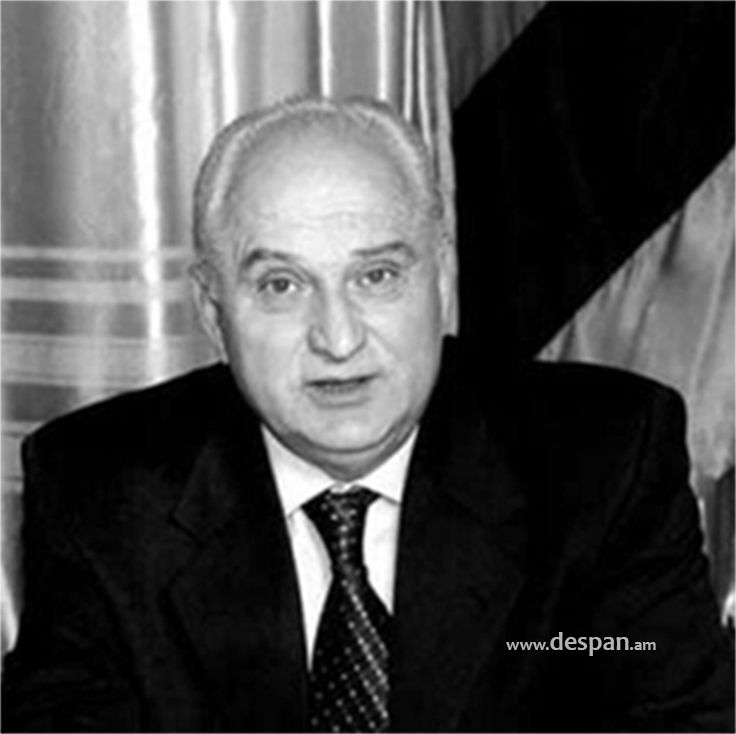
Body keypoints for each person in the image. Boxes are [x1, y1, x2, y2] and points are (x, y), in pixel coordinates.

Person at [2, 96, 733, 733]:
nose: (338, 338)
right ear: (212, 312)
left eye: (376, 276)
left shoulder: (603, 462)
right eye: (282, 285)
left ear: (442, 279)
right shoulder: (98, 491)